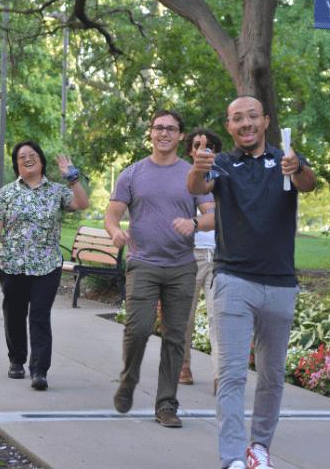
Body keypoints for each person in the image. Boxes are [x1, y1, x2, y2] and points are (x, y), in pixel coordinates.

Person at [187, 96, 316, 469]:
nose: (246, 123)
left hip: (280, 284)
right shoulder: (222, 164)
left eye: (252, 117)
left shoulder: (286, 160)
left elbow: (308, 184)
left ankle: (259, 447)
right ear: (229, 127)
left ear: (265, 121)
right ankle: (232, 459)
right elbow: (198, 184)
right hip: (233, 281)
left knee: (272, 375)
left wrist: (299, 167)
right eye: (237, 118)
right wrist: (198, 167)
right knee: (230, 375)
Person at [106, 109, 215, 429]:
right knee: (137, 329)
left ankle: (166, 404)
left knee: (175, 339)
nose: (164, 133)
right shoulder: (132, 173)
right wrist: (114, 232)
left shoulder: (192, 174)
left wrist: (193, 222)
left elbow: (212, 214)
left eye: (171, 129)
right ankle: (128, 381)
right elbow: (112, 214)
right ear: (151, 133)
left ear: (182, 136)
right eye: (158, 128)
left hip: (182, 266)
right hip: (143, 263)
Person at [0, 140, 89, 391]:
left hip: (46, 266)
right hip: (12, 264)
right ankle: (16, 361)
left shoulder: (57, 191)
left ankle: (39, 370)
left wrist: (72, 179)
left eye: (32, 154)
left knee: (39, 315)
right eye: (21, 156)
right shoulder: (6, 192)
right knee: (14, 314)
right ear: (17, 165)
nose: (28, 158)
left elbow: (82, 204)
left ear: (40, 161)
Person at [179, 127, 223, 389]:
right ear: (189, 151)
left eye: (209, 146)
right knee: (185, 316)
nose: (202, 150)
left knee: (220, 317)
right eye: (197, 145)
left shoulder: (224, 176)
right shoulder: (183, 177)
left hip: (220, 256)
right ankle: (183, 365)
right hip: (190, 255)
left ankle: (220, 374)